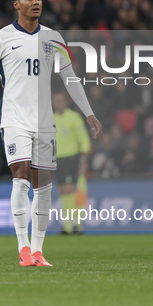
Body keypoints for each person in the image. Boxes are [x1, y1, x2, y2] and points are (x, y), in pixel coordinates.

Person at [0, 0, 102, 267]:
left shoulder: (54, 37)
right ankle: (22, 248)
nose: (36, 2)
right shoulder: (1, 37)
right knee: (20, 179)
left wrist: (88, 112)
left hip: (45, 122)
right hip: (15, 120)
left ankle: (38, 250)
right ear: (16, 4)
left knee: (44, 187)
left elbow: (70, 79)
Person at [52, 90, 91, 234]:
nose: (58, 103)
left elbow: (84, 139)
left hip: (71, 157)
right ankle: (67, 226)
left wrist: (83, 159)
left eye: (60, 100)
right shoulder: (51, 118)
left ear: (66, 101)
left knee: (70, 189)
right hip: (57, 159)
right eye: (55, 100)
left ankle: (77, 225)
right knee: (62, 190)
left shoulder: (74, 117)